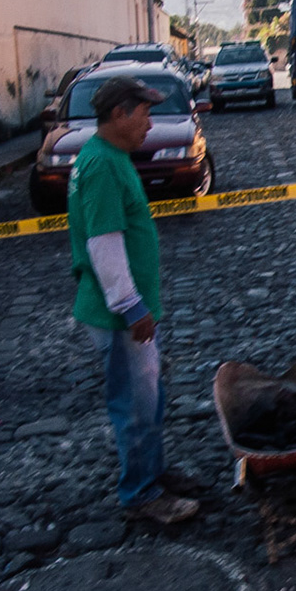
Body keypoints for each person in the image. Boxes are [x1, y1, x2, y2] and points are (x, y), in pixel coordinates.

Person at [67, 75, 198, 524]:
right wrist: (131, 306)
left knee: (149, 398)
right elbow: (103, 243)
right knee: (136, 406)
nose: (151, 122)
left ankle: (153, 472)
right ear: (119, 113)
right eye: (144, 113)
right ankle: (141, 493)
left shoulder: (109, 156)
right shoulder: (102, 164)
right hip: (118, 313)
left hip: (124, 309)